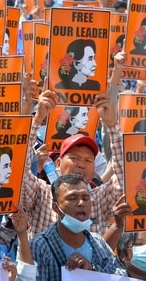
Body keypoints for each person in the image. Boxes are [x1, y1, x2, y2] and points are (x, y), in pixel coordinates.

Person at [21, 90, 124, 237]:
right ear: (58, 163)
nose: (81, 164)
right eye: (74, 158)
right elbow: (20, 169)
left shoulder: (101, 198)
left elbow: (125, 174)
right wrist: (38, 119)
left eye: (88, 160)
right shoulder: (41, 193)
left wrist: (111, 124)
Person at [30, 174, 126, 281]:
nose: (81, 203)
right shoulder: (40, 246)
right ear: (55, 207)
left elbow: (121, 278)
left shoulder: (98, 242)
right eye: (72, 198)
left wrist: (92, 271)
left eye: (85, 198)